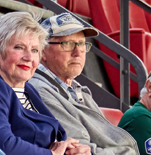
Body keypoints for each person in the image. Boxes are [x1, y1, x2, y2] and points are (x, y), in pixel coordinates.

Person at [0, 12, 88, 155]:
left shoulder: (28, 89)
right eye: (19, 47)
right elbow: (4, 145)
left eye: (34, 50)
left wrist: (69, 148)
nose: (28, 57)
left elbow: (52, 136)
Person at [29, 14, 136, 155]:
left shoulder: (78, 90)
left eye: (81, 44)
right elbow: (80, 148)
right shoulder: (39, 89)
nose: (78, 52)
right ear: (43, 50)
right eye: (67, 44)